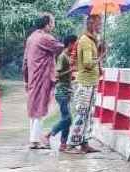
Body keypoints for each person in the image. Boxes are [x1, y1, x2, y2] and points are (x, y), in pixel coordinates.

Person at [21, 12, 65, 149]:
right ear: (47, 24)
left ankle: (33, 138)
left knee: (33, 108)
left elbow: (25, 61)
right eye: (52, 23)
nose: (53, 25)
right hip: (43, 76)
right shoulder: (45, 37)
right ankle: (35, 140)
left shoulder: (31, 38)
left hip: (33, 76)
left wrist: (26, 79)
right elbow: (60, 47)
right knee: (40, 108)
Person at [66, 14, 104, 154]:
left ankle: (84, 142)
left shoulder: (92, 41)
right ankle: (71, 144)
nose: (100, 26)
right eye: (98, 24)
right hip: (85, 83)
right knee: (82, 114)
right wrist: (101, 56)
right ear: (91, 24)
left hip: (91, 82)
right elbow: (88, 64)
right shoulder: (86, 41)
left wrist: (99, 51)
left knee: (89, 114)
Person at [47, 35, 77, 151]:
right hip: (61, 92)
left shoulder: (68, 57)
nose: (76, 46)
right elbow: (57, 75)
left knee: (67, 119)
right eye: (75, 44)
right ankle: (48, 134)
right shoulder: (63, 57)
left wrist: (70, 76)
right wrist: (70, 70)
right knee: (68, 119)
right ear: (70, 44)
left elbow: (65, 74)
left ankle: (63, 144)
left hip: (67, 91)